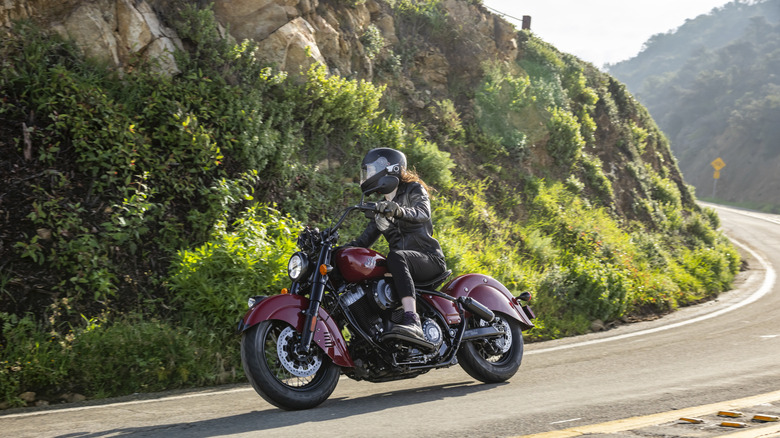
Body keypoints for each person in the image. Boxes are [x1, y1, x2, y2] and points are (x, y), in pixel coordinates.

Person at [347, 148, 447, 342]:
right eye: (368, 170)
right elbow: (362, 243)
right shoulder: (381, 207)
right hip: (403, 265)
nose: (370, 173)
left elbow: (422, 213)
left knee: (395, 256)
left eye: (375, 168)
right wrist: (334, 249)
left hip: (428, 258)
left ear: (391, 167)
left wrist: (398, 211)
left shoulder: (413, 189)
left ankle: (412, 320)